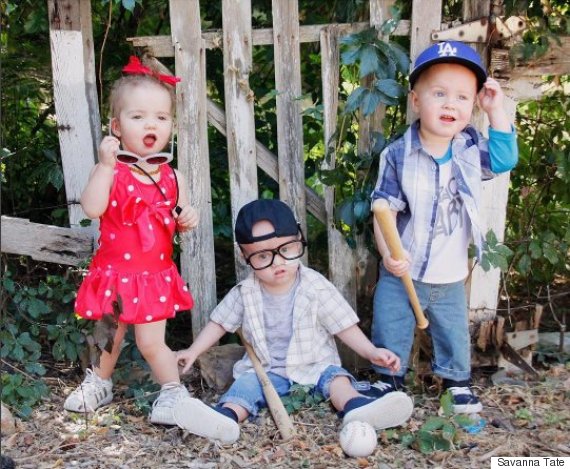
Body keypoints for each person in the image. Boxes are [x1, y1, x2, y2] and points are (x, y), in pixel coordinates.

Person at [174, 199, 414, 444]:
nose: (278, 262)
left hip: (315, 365)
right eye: (263, 256)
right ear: (244, 255)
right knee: (244, 387)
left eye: (286, 250)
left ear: (298, 240)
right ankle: (225, 418)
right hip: (267, 371)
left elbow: (342, 325)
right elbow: (220, 324)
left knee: (338, 380)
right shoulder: (245, 292)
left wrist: (371, 351)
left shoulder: (314, 285)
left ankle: (357, 407)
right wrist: (194, 350)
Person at [370, 41, 518, 413]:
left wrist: (495, 109)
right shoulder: (398, 154)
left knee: (452, 331)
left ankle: (457, 382)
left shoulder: (470, 148)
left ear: (472, 106)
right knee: (391, 323)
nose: (450, 104)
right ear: (416, 101)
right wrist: (389, 256)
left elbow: (504, 159)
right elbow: (382, 210)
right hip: (403, 269)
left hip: (448, 274)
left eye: (462, 97)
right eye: (439, 93)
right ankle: (387, 381)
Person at [64, 56, 205, 426]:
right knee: (108, 334)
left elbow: (182, 215)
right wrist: (106, 166)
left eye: (160, 117)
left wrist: (188, 217)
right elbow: (92, 208)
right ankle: (99, 382)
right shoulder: (112, 172)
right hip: (114, 273)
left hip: (153, 276)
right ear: (116, 127)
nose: (151, 124)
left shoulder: (172, 176)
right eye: (138, 116)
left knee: (150, 342)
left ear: (170, 125)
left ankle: (173, 393)